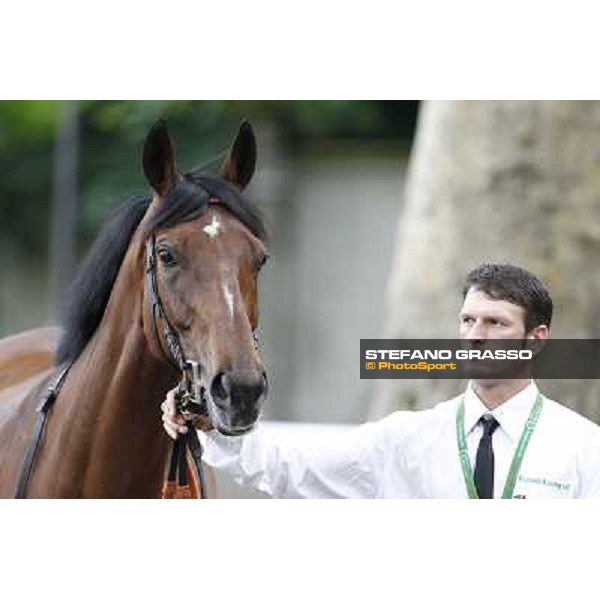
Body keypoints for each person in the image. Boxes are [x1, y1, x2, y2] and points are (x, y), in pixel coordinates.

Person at [161, 263, 600, 498]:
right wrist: (211, 421)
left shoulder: (583, 447)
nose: (475, 336)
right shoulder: (406, 439)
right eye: (468, 320)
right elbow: (283, 467)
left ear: (536, 340)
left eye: (496, 324)